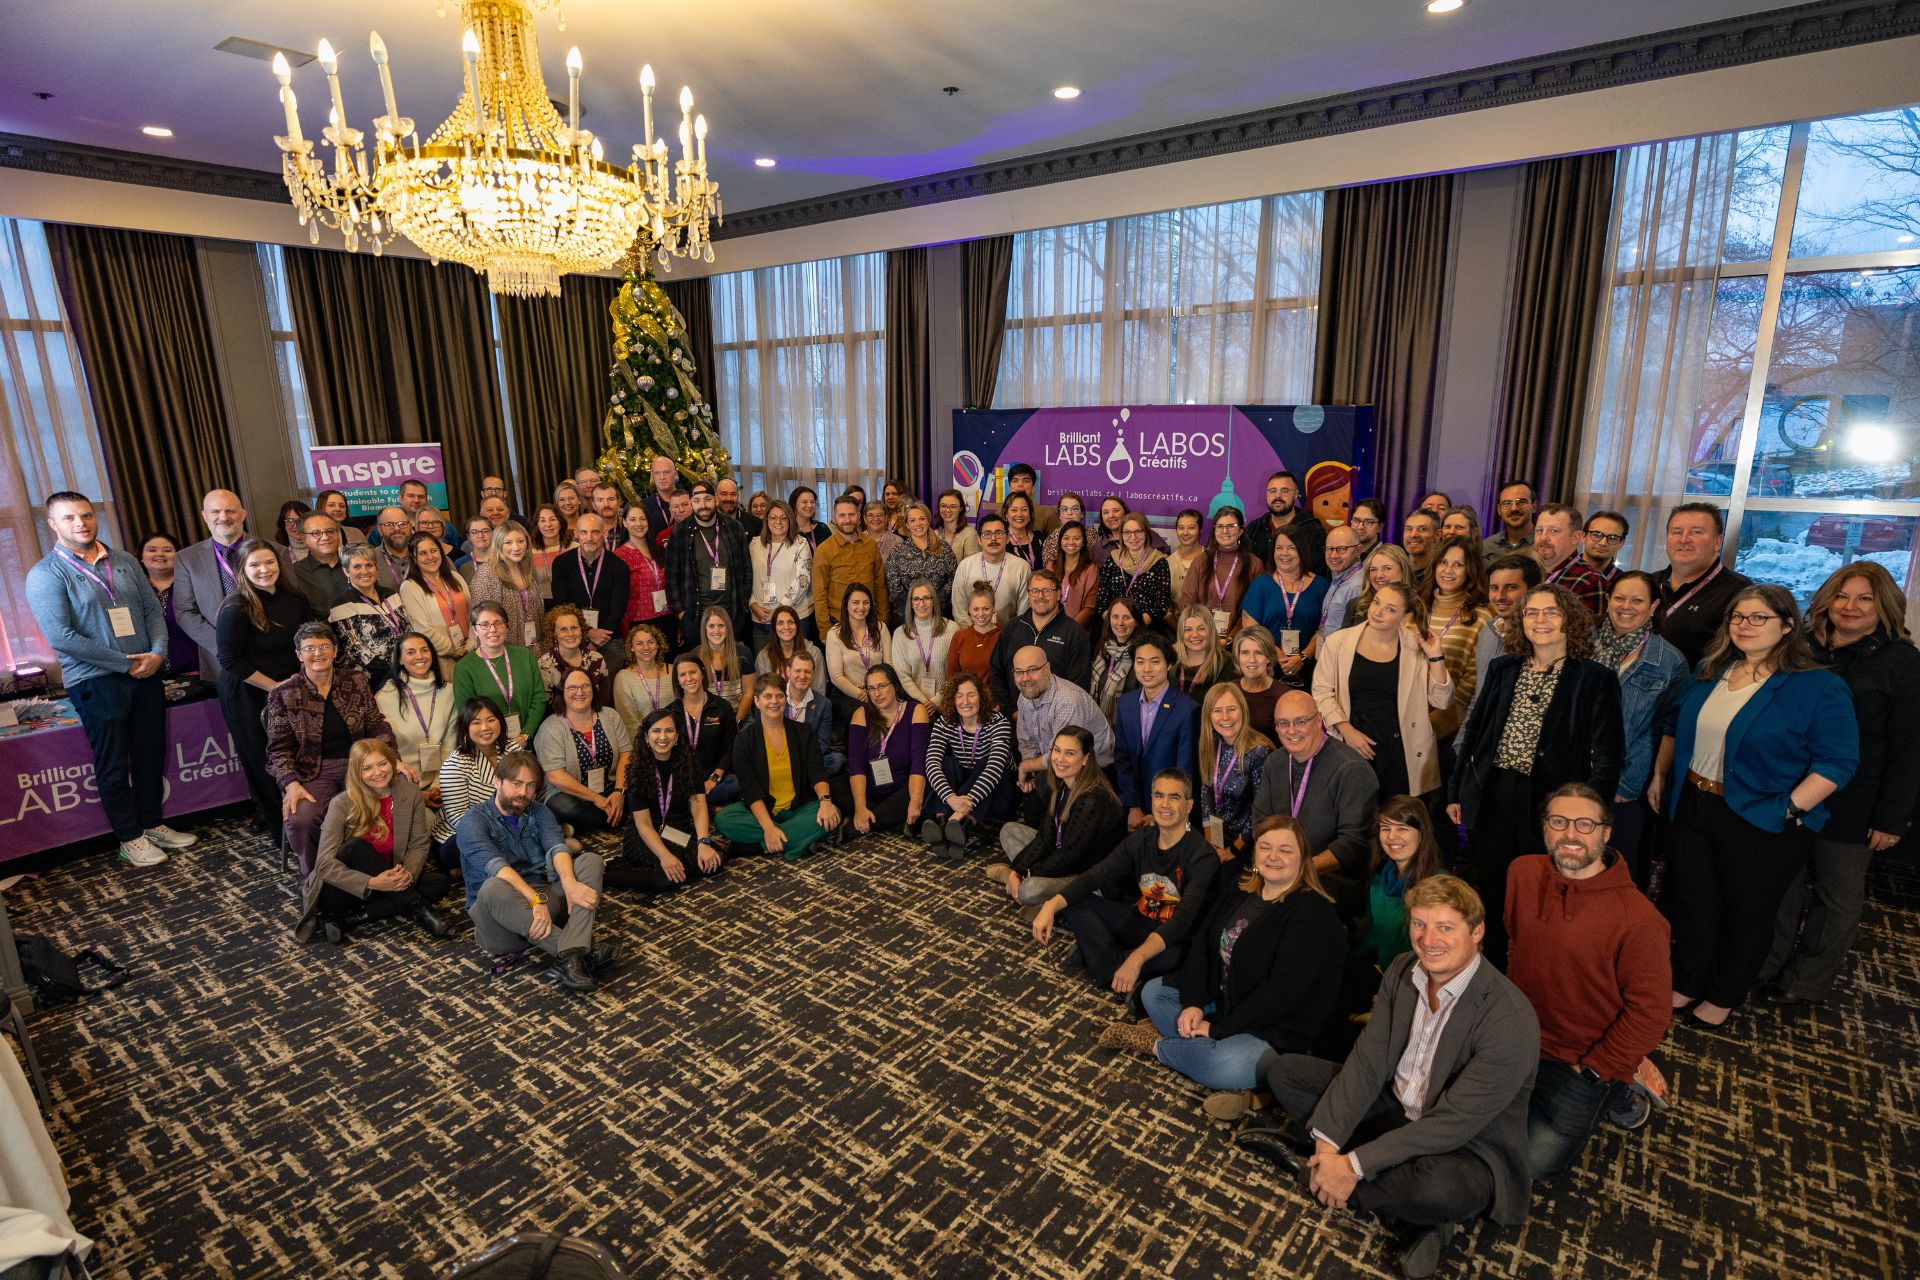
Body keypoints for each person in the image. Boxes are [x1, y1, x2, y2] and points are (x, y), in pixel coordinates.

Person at [1238, 877, 1539, 1280]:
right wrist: (1329, 1150)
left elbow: (1452, 1125)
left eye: (1445, 927)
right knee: (1286, 1072)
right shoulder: (1402, 970)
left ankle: (1328, 1180)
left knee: (1440, 1189)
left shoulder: (1509, 1019)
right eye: (1419, 924)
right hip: (1395, 1106)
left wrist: (1352, 1166)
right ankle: (1406, 1215)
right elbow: (1367, 1062)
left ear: (1477, 931)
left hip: (1464, 1146)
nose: (1428, 939)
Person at [1654, 584, 1858, 1028]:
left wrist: (1787, 809)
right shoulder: (1713, 671)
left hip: (1763, 817)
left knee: (1746, 912)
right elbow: (1675, 724)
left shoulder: (1818, 686)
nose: (1744, 625)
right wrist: (1660, 777)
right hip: (1694, 804)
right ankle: (1689, 981)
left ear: (1788, 626)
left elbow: (1838, 762)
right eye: (1737, 617)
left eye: (1758, 617)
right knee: (1694, 903)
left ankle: (1723, 995)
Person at [1111, 815, 1344, 1120]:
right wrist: (1194, 1004)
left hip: (1275, 1028)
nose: (1274, 857)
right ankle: (1237, 1079)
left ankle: (1155, 1045)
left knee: (1223, 1063)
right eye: (1265, 847)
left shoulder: (1313, 914)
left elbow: (1279, 995)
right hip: (1225, 1001)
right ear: (1255, 853)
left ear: (1303, 857)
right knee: (1154, 994)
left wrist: (1219, 1029)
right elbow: (1203, 946)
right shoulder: (1241, 888)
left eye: (1285, 850)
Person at [1762, 564, 1919, 1007]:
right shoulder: (1800, 649)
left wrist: (1892, 818)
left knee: (1836, 897)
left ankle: (1806, 982)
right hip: (1790, 790)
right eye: (1842, 596)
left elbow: (1909, 749)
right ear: (1827, 599)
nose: (1850, 607)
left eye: (1864, 599)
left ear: (1883, 605)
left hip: (1855, 801)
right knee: (1782, 885)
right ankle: (1767, 963)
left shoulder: (1902, 662)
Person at [1448, 584, 1623, 969]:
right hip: (1492, 794)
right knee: (1492, 886)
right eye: (1532, 613)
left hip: (1550, 803)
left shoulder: (1594, 678)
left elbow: (1610, 758)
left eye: (1551, 613)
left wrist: (1586, 820)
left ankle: (1536, 968)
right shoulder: (1503, 668)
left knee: (1543, 892)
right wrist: (1456, 790)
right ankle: (1491, 964)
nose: (1540, 621)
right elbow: (1475, 732)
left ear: (1570, 620)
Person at [1507, 784, 1672, 1179]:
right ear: (1545, 829)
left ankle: (1624, 1085)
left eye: (1585, 824)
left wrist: (1599, 1068)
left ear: (1606, 832)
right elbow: (1513, 943)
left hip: (1583, 1057)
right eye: (1559, 822)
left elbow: (1650, 1013)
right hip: (1520, 1036)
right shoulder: (1522, 872)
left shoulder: (1639, 920)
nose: (1570, 835)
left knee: (1531, 1166)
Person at [26, 491, 193, 867]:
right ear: (53, 524)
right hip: (95, 680)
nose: (80, 523)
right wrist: (124, 663)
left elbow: (152, 611)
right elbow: (61, 637)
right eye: (69, 518)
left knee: (150, 754)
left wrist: (157, 653)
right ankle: (129, 837)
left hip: (145, 672)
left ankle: (152, 823)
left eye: (86, 515)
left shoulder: (123, 560)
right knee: (114, 763)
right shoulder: (45, 574)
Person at [1029, 770, 1221, 991]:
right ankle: (1113, 965)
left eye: (1174, 797)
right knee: (1076, 901)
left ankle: (1100, 960)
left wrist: (1137, 958)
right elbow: (1098, 874)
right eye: (1158, 796)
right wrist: (1050, 905)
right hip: (1138, 920)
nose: (1164, 804)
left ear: (1189, 806)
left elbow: (1182, 921)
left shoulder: (1202, 857)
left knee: (1173, 956)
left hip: (1172, 939)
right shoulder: (1142, 838)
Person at [456, 751, 616, 995]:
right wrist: (534, 899)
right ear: (497, 781)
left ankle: (569, 957)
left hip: (544, 904)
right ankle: (579, 952)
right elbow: (499, 869)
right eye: (516, 784)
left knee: (590, 861)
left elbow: (557, 846)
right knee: (492, 887)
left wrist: (570, 883)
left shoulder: (539, 811)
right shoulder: (472, 822)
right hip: (500, 921)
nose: (524, 793)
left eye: (531, 786)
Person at [266, 622, 399, 875]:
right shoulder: (284, 693)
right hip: (313, 770)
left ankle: (388, 869)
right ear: (299, 655)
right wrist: (291, 783)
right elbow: (278, 750)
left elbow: (375, 725)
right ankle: (318, 879)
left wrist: (391, 758)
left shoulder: (356, 680)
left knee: (401, 789)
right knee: (301, 819)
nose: (318, 653)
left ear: (336, 651)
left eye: (325, 646)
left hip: (361, 764)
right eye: (310, 648)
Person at [295, 739, 455, 944]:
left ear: (392, 762)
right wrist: (371, 882)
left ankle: (353, 920)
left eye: (382, 764)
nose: (378, 772)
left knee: (439, 882)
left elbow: (419, 844)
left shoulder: (410, 792)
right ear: (356, 772)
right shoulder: (341, 803)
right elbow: (324, 864)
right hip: (345, 887)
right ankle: (420, 909)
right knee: (356, 847)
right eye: (367, 768)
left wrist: (405, 874)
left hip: (389, 876)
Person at [1314, 582, 1454, 807]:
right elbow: (1321, 691)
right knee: (1355, 816)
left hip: (1401, 751)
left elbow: (1442, 700)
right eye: (1377, 602)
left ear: (1405, 618)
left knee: (1398, 819)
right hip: (1352, 743)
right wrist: (1346, 730)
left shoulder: (1417, 647)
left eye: (1390, 609)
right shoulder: (1338, 642)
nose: (1377, 611)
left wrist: (1436, 656)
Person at [1594, 571, 1690, 879]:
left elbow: (1660, 728)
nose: (1627, 606)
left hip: (1624, 783)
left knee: (1617, 868)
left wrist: (1628, 782)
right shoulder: (1583, 644)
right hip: (1574, 773)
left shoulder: (1669, 661)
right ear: (1608, 602)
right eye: (1619, 598)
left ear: (1653, 607)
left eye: (1638, 600)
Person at [217, 538, 316, 835]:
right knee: (265, 760)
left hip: (291, 687)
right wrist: (275, 687)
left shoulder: (296, 600)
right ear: (242, 570)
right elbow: (229, 660)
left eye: (269, 562)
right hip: (250, 692)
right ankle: (279, 828)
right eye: (255, 565)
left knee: (298, 754)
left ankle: (305, 820)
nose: (264, 570)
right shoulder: (235, 608)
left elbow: (308, 641)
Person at [1251, 690, 1378, 900]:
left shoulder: (1351, 769)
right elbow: (1261, 822)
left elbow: (1353, 845)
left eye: (1300, 721)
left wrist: (1299, 871)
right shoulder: (1275, 762)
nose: (1291, 731)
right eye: (1283, 723)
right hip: (1278, 871)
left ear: (1319, 720)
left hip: (1328, 881)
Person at [988, 726, 1125, 908]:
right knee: (1009, 830)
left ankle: (1032, 893)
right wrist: (1017, 869)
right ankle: (1018, 882)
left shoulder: (1094, 799)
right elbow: (1045, 837)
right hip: (1063, 857)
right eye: (1057, 750)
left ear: (1085, 759)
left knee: (1029, 890)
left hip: (1089, 876)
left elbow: (1070, 856)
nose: (1060, 759)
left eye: (1069, 753)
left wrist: (1028, 872)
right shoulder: (1063, 783)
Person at [713, 675, 844, 859]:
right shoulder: (744, 740)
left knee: (832, 813)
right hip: (763, 811)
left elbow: (817, 771)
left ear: (786, 699)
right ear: (757, 702)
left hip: (799, 807)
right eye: (768, 696)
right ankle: (794, 839)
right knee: (724, 819)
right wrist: (768, 826)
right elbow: (750, 789)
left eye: (779, 696)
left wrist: (825, 801)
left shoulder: (803, 732)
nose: (774, 701)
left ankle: (759, 848)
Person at [174, 489, 281, 686]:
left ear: (243, 514)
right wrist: (223, 646)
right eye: (215, 512)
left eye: (230, 511)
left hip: (273, 655)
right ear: (204, 516)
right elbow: (185, 612)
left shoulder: (276, 551)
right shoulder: (186, 559)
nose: (223, 517)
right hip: (221, 661)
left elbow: (290, 602)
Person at [611, 706, 724, 892]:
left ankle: (660, 870)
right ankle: (610, 875)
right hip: (644, 833)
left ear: (677, 735)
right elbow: (643, 824)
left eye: (669, 730)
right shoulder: (637, 769)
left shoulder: (690, 761)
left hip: (676, 828)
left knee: (714, 858)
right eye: (656, 731)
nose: (663, 737)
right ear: (647, 737)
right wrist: (664, 856)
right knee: (667, 878)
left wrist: (703, 842)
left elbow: (699, 806)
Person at [920, 671, 1016, 860]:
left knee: (986, 761)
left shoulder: (999, 723)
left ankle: (954, 822)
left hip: (999, 788)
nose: (966, 701)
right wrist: (950, 797)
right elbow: (931, 762)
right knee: (945, 763)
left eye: (971, 695)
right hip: (963, 788)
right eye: (959, 696)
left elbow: (994, 768)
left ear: (981, 696)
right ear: (952, 700)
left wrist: (959, 809)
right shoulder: (945, 722)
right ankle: (948, 826)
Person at [1012, 645, 1115, 818]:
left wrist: (1026, 766)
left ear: (1047, 668)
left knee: (1041, 808)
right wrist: (1031, 770)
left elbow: (1063, 756)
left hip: (1093, 767)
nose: (1025, 678)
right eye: (1019, 672)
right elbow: (1026, 740)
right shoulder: (1025, 696)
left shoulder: (1067, 700)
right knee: (1032, 807)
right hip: (1056, 762)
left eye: (1032, 670)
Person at [534, 667, 634, 837]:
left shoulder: (610, 716)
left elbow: (626, 753)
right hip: (570, 795)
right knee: (563, 806)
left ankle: (582, 825)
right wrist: (596, 799)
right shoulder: (551, 727)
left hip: (609, 788)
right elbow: (556, 776)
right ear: (562, 692)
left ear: (593, 690)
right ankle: (618, 817)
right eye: (572, 687)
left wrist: (619, 792)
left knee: (642, 790)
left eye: (585, 686)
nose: (579, 692)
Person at [1115, 635, 1200, 831]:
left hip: (1170, 811)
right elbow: (1122, 757)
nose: (1146, 669)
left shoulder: (1187, 709)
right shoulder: (1126, 703)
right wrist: (1133, 805)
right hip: (1134, 809)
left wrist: (1161, 811)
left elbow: (1184, 771)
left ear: (1169, 664)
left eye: (1155, 662)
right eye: (1140, 661)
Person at [1651, 502, 1751, 669]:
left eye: (1696, 532)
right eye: (1676, 532)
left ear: (1717, 541)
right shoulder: (1649, 583)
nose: (1684, 540)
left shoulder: (1741, 592)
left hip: (1695, 689)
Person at [1356, 795, 1447, 972]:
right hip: (1387, 979)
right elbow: (1371, 939)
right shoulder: (1377, 882)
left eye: (1402, 828)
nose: (1391, 836)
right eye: (1385, 828)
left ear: (1422, 834)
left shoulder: (1440, 886)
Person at [1418, 537, 1491, 747]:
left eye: (1458, 565)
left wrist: (1433, 727)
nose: (1448, 570)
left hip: (1440, 731)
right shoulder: (1416, 608)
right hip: (1400, 720)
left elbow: (1471, 684)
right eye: (1443, 562)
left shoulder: (1480, 618)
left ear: (1471, 570)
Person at [846, 663, 932, 835]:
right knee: (835, 787)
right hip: (872, 786)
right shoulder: (861, 714)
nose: (876, 694)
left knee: (927, 787)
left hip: (904, 786)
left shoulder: (916, 710)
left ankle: (855, 828)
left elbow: (919, 762)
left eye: (881, 686)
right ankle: (887, 820)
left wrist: (915, 801)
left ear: (895, 685)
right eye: (871, 689)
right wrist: (860, 806)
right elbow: (856, 765)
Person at [990, 568, 1092, 711]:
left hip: (1057, 720)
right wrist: (1012, 711)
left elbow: (1079, 685)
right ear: (1028, 595)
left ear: (1058, 594)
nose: (1040, 596)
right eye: (1035, 591)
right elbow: (996, 671)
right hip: (1014, 719)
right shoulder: (1012, 628)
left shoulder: (1075, 633)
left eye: (1047, 591)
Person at [1460, 553, 1543, 728]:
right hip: (1482, 743)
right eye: (1494, 588)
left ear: (1533, 590)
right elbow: (1479, 696)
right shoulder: (1488, 631)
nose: (1499, 596)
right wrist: (1462, 744)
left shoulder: (1542, 641)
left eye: (1511, 587)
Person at [1196, 683, 1274, 864]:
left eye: (1232, 709)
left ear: (1243, 711)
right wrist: (1211, 842)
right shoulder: (1212, 742)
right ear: (1208, 715)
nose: (1225, 717)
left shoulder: (1259, 752)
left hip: (1247, 844)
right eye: (1217, 711)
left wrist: (1234, 849)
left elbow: (1261, 810)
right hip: (1218, 837)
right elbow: (1206, 789)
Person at [452, 601, 545, 751]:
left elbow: (539, 699)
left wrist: (525, 735)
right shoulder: (464, 668)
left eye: (498, 623)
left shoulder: (525, 656)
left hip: (528, 743)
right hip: (488, 748)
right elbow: (468, 714)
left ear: (506, 627)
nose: (492, 629)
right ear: (475, 630)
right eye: (485, 624)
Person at [666, 480, 752, 641]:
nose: (703, 505)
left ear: (716, 500)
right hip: (696, 615)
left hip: (731, 612)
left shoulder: (735, 528)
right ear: (691, 504)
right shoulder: (680, 533)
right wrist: (680, 612)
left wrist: (743, 603)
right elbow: (671, 577)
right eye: (697, 501)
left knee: (731, 662)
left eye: (707, 499)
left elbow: (747, 569)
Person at [1239, 527, 1326, 684]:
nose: (1284, 553)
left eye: (1291, 548)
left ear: (1302, 551)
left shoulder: (1321, 586)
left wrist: (1303, 657)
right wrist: (1279, 656)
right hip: (1267, 669)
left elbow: (1325, 628)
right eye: (1279, 548)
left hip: (1310, 671)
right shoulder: (1261, 585)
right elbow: (1251, 629)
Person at [375, 632, 456, 800]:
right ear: (400, 659)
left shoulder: (449, 692)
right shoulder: (386, 696)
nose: (419, 656)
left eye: (424, 650)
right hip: (400, 785)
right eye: (410, 652)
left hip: (444, 782)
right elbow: (383, 753)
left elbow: (450, 744)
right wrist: (417, 794)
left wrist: (438, 786)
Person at [433, 695, 507, 872]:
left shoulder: (513, 750)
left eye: (491, 720)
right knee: (456, 850)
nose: (485, 728)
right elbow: (460, 819)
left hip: (510, 821)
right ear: (465, 727)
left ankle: (476, 866)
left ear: (500, 722)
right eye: (476, 723)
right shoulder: (455, 765)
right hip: (464, 831)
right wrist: (502, 831)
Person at [550, 512, 630, 667]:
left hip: (608, 637)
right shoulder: (561, 564)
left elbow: (618, 610)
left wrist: (596, 641)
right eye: (584, 532)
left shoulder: (619, 566)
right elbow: (562, 606)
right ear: (576, 534)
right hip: (571, 635)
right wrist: (587, 632)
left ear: (604, 533)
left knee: (609, 687)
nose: (589, 538)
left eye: (595, 532)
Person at [327, 544, 407, 693]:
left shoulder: (391, 595)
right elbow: (359, 653)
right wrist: (397, 671)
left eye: (369, 565)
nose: (364, 571)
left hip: (406, 670)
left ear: (376, 568)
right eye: (357, 566)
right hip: (373, 682)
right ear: (346, 571)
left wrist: (409, 662)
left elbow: (408, 631)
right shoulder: (342, 606)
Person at [468, 521, 551, 652]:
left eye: (520, 541)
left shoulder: (528, 570)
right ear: (498, 545)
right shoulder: (487, 574)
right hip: (504, 652)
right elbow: (483, 622)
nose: (516, 547)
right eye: (508, 543)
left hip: (536, 648)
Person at [397, 531, 470, 677]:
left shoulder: (455, 577)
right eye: (423, 553)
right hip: (442, 661)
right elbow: (423, 629)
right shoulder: (410, 587)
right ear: (414, 557)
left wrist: (470, 646)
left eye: (434, 550)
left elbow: (473, 614)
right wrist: (454, 649)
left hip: (471, 653)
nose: (430, 557)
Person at [813, 493, 890, 630]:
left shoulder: (870, 545)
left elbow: (880, 586)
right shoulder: (823, 550)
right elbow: (819, 594)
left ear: (859, 516)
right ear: (834, 517)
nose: (847, 520)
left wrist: (883, 620)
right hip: (838, 622)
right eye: (842, 515)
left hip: (869, 620)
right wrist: (824, 630)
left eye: (852, 514)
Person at [1180, 507, 1261, 637]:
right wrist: (1202, 635)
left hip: (1240, 641)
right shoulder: (1201, 561)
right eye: (1220, 526)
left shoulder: (1254, 564)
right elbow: (1188, 604)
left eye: (1231, 526)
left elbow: (1254, 611)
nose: (1225, 531)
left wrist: (1231, 638)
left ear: (1240, 530)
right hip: (1202, 640)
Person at [675, 652, 740, 806]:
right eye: (683, 674)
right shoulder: (671, 712)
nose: (689, 678)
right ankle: (709, 807)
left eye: (693, 672)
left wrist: (714, 779)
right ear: (677, 680)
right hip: (684, 777)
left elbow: (730, 749)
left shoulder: (722, 707)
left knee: (736, 784)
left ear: (703, 673)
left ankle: (692, 804)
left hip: (716, 774)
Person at [748, 499, 814, 651]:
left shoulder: (800, 544)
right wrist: (752, 604)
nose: (778, 521)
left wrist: (780, 609)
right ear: (767, 520)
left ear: (790, 520)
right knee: (765, 670)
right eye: (773, 517)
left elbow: (802, 580)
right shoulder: (754, 544)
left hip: (794, 618)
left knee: (795, 669)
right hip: (760, 618)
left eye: (783, 517)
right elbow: (746, 578)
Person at [823, 582, 889, 732]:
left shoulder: (881, 628)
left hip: (880, 689)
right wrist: (864, 695)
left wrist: (878, 691)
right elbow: (836, 677)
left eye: (866, 602)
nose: (861, 607)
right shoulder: (834, 634)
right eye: (856, 602)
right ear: (846, 605)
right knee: (867, 716)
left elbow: (889, 666)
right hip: (849, 694)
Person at [885, 501, 957, 627]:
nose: (918, 524)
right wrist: (916, 606)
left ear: (928, 521)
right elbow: (894, 587)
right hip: (907, 617)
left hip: (940, 613)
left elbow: (953, 578)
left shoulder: (944, 548)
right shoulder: (897, 552)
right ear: (907, 524)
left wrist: (933, 603)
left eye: (922, 519)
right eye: (912, 520)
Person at [138, 532, 198, 680]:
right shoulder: (133, 590)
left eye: (167, 550)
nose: (160, 554)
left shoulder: (194, 584)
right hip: (149, 673)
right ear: (141, 557)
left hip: (195, 669)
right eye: (152, 550)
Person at [1097, 513, 1174, 629]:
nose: (1133, 537)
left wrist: (1133, 624)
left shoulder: (1159, 562)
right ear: (1122, 535)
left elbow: (1161, 607)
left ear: (1146, 533)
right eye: (1127, 532)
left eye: (1138, 531)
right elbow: (1101, 602)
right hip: (1115, 628)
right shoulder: (1112, 560)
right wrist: (1118, 624)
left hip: (1148, 629)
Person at [615, 504, 675, 653]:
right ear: (625, 523)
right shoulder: (619, 556)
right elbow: (619, 598)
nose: (639, 524)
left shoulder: (659, 549)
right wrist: (626, 633)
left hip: (667, 617)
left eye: (643, 519)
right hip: (640, 623)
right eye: (633, 519)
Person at [1531, 504, 1608, 616]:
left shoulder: (1590, 580)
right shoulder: (1526, 571)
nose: (1543, 537)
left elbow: (1588, 631)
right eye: (1539, 530)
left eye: (1554, 531)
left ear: (1575, 538)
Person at [1246, 471, 1325, 579]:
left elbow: (1320, 574)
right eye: (1273, 491)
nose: (1278, 496)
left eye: (1285, 491)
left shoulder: (1312, 529)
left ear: (1296, 494)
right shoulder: (1254, 529)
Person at [951, 513, 1028, 624]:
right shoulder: (965, 566)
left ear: (1008, 538)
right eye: (987, 534)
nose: (993, 538)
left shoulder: (1021, 567)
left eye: (999, 533)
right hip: (973, 633)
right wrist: (974, 635)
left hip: (1008, 634)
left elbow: (1023, 611)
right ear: (979, 540)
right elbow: (959, 610)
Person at [537, 604, 613, 715]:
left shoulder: (597, 660)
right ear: (554, 634)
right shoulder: (544, 664)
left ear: (582, 630)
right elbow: (547, 709)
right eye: (563, 629)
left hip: (595, 721)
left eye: (574, 628)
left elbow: (604, 702)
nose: (571, 634)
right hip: (561, 726)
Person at [892, 580, 959, 705]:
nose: (921, 604)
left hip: (947, 701)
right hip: (914, 703)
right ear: (911, 604)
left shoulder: (952, 629)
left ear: (933, 601)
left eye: (926, 598)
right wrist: (923, 701)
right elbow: (903, 676)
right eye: (916, 599)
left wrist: (936, 700)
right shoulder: (900, 634)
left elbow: (955, 672)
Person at [783, 649, 841, 775]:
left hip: (808, 757)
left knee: (837, 760)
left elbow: (823, 743)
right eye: (798, 671)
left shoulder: (823, 704)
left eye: (807, 672)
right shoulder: (775, 697)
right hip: (779, 756)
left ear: (814, 674)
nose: (802, 676)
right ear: (788, 671)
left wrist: (801, 758)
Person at [613, 621, 677, 735]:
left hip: (674, 737)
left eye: (650, 642)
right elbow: (629, 722)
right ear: (631, 647)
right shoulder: (623, 678)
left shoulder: (674, 672)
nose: (646, 647)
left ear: (658, 644)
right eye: (639, 643)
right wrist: (648, 741)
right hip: (642, 743)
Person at [1089, 595, 1143, 719]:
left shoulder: (1142, 653)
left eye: (1127, 618)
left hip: (1128, 724)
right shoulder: (1102, 647)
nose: (1120, 623)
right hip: (1097, 723)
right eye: (1115, 617)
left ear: (1136, 622)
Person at [291, 511, 353, 613]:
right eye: (316, 533)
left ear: (338, 534)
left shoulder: (355, 564)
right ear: (304, 539)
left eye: (330, 531)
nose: (325, 537)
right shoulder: (295, 573)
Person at [1343, 544, 1417, 631]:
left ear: (1403, 570)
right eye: (1373, 569)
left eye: (1387, 568)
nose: (1379, 575)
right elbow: (1342, 642)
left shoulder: (1419, 607)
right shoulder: (1355, 605)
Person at [754, 605, 825, 690]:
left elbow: (819, 690)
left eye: (791, 622)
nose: (786, 627)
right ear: (774, 627)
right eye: (780, 623)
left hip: (808, 702)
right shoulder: (763, 657)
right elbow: (761, 692)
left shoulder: (813, 653)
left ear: (797, 625)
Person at [1171, 604, 1230, 704]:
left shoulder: (1227, 663)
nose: (1195, 635)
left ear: (1211, 630)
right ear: (1181, 633)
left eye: (1201, 628)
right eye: (1188, 629)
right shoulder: (1169, 659)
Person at [1317, 525, 1367, 643]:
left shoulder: (1357, 586)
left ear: (1358, 550)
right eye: (1330, 549)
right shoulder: (1339, 577)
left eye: (1341, 549)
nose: (1333, 555)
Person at [944, 586, 1002, 686]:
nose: (981, 614)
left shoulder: (1003, 635)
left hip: (997, 699)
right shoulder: (959, 637)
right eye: (975, 609)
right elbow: (952, 676)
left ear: (994, 608)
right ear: (969, 610)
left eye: (986, 609)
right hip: (967, 699)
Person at [1051, 520, 1100, 632]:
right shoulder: (1051, 567)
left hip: (1077, 631)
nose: (1071, 542)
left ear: (1083, 542)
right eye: (1066, 538)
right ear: (1060, 541)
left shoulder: (1091, 569)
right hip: (1050, 627)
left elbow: (1089, 608)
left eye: (1076, 538)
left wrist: (1069, 630)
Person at [1483, 480, 1536, 558]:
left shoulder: (1544, 545)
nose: (1514, 509)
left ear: (1534, 507)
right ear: (1499, 510)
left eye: (1521, 502)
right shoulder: (1487, 547)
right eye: (1507, 503)